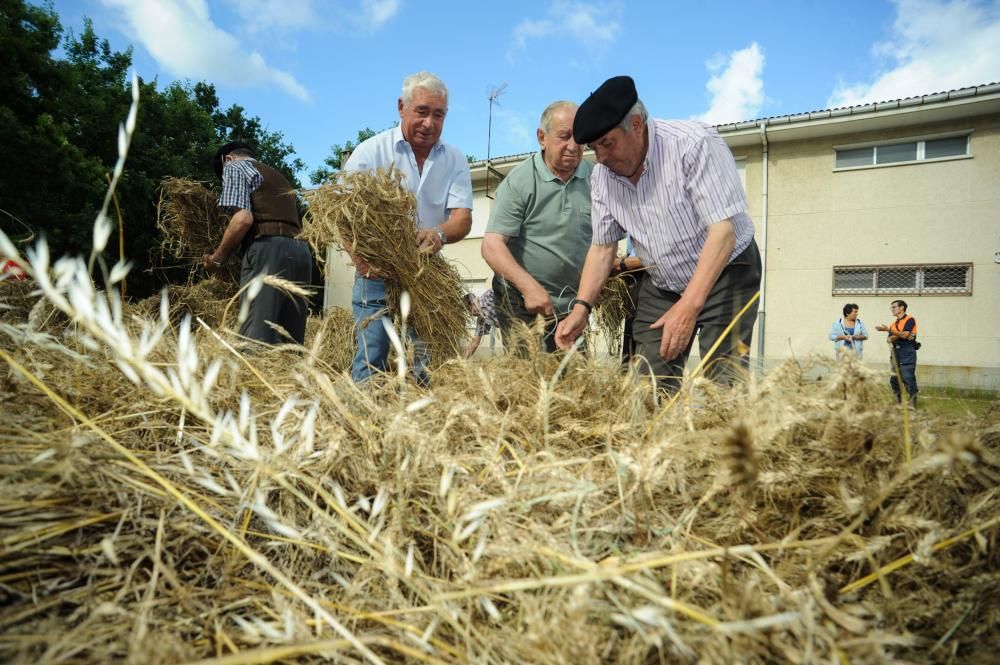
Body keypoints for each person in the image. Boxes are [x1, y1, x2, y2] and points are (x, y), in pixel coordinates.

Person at [555, 76, 761, 391]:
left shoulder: (693, 143)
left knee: (724, 382)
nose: (602, 158)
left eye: (607, 144)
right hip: (663, 284)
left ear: (636, 124)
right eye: (594, 149)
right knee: (648, 385)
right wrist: (582, 307)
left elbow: (723, 233)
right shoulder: (602, 179)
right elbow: (602, 249)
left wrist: (689, 306)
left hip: (727, 271)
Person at [343, 71, 473, 383]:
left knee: (431, 359)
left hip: (426, 270)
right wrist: (360, 260)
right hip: (376, 272)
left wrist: (439, 234)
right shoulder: (370, 152)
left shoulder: (454, 158)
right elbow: (342, 215)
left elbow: (463, 219)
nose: (430, 123)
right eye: (422, 111)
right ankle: (365, 422)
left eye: (438, 115)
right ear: (402, 107)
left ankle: (422, 424)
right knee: (371, 354)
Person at [481, 101, 592, 353]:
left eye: (580, 137)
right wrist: (529, 287)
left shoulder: (596, 178)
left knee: (573, 379)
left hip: (573, 304)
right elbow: (491, 245)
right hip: (520, 299)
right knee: (529, 378)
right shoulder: (519, 182)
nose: (574, 146)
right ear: (542, 137)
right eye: (564, 136)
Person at [202, 141, 312, 346]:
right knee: (289, 344)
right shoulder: (278, 176)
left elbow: (242, 219)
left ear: (227, 159)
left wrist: (217, 259)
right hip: (301, 252)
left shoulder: (234, 167)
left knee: (254, 338)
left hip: (269, 250)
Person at [875, 300, 919, 406]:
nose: (892, 309)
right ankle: (898, 401)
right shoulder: (894, 324)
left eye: (894, 307)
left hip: (907, 351)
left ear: (901, 308)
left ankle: (912, 400)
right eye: (891, 307)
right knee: (894, 378)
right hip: (895, 352)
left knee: (907, 376)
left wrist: (892, 331)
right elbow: (890, 339)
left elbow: (905, 335)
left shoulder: (910, 320)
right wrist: (900, 334)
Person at [464, 290, 500, 358]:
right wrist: (463, 360)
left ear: (472, 303)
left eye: (469, 310)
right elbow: (475, 342)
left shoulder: (489, 295)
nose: (470, 314)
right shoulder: (481, 320)